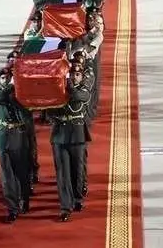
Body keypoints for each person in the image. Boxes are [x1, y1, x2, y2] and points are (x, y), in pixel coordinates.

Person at [47, 69, 92, 222]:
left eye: (77, 75)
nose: (74, 77)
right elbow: (49, 110)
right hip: (60, 135)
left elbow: (78, 97)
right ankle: (66, 207)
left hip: (77, 135)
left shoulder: (83, 90)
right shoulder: (59, 90)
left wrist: (68, 86)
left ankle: (77, 198)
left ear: (82, 77)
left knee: (77, 170)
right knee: (63, 174)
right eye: (71, 74)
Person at [0, 68, 30, 223]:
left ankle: (24, 199)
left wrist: (17, 88)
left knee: (21, 172)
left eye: (8, 78)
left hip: (17, 136)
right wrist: (11, 87)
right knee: (6, 176)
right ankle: (12, 208)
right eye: (3, 78)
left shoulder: (18, 92)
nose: (5, 80)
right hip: (1, 137)